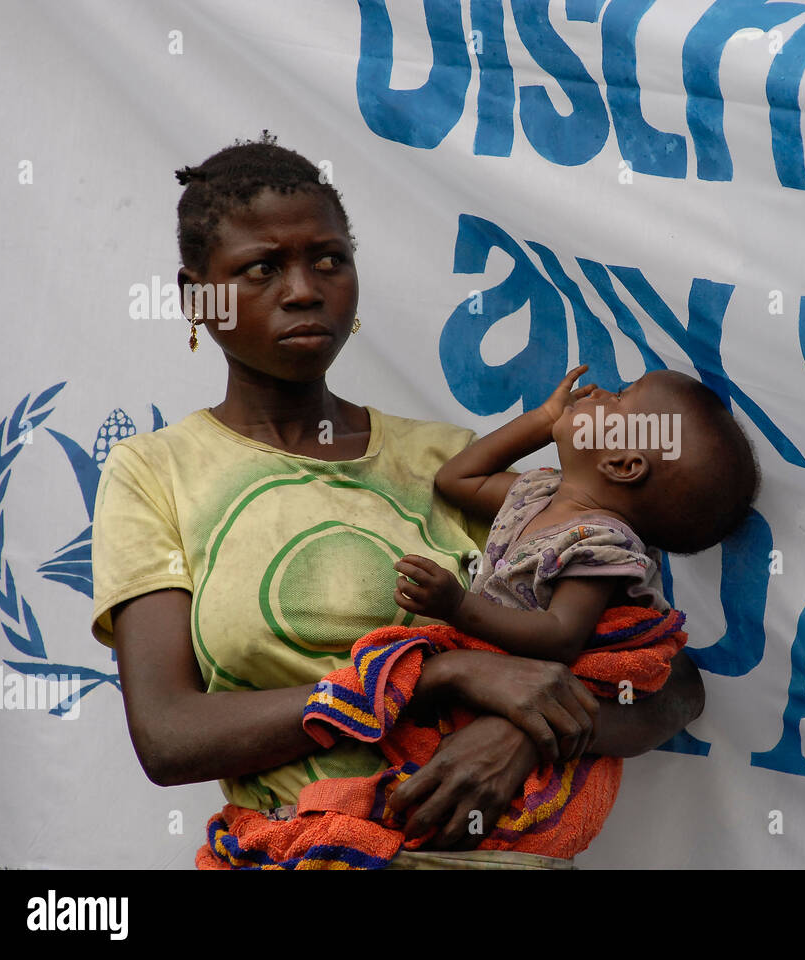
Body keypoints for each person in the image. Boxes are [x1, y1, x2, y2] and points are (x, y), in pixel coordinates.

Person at [89, 133, 706, 868]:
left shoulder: (448, 464)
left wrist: (519, 728)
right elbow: (169, 736)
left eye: (329, 260)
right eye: (262, 269)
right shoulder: (154, 473)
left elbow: (671, 687)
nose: (303, 289)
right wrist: (437, 675)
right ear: (198, 297)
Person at [393, 364, 760, 666]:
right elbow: (456, 479)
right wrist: (545, 418)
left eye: (618, 399)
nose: (598, 393)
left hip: (517, 690)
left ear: (623, 465)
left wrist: (457, 606)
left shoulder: (600, 546)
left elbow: (560, 637)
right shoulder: (538, 492)